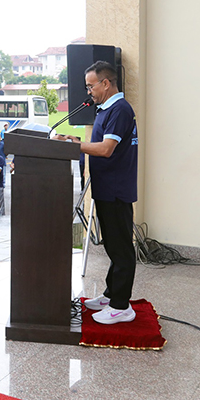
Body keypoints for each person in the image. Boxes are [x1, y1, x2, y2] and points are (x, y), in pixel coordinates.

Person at [58, 61, 138, 325]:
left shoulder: (119, 109)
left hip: (116, 189)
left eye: (91, 86)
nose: (88, 91)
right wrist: (74, 143)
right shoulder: (106, 109)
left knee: (121, 249)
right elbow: (97, 145)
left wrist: (78, 147)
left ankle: (121, 306)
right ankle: (110, 294)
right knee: (113, 247)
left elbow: (105, 149)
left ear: (106, 83)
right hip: (106, 188)